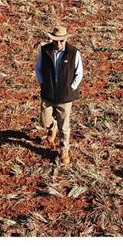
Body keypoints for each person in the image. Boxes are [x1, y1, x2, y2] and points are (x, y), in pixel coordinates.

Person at [34, 25, 84, 165]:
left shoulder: (73, 52)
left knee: (64, 126)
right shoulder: (44, 51)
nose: (58, 44)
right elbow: (37, 69)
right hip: (48, 93)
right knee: (44, 120)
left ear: (66, 39)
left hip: (64, 96)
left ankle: (64, 150)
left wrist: (71, 87)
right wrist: (43, 83)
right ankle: (51, 127)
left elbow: (79, 73)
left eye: (61, 41)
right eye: (56, 41)